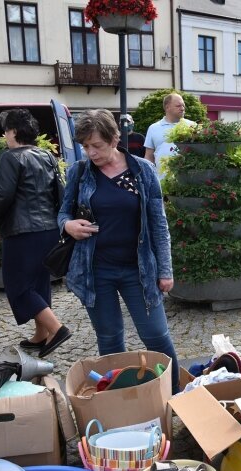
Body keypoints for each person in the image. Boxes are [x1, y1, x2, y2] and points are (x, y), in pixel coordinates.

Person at [58, 109, 180, 393]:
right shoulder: (79, 172)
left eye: (96, 145)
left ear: (114, 139)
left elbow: (159, 224)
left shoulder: (142, 170)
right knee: (110, 339)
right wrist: (68, 225)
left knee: (156, 336)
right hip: (95, 270)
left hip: (139, 269)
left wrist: (165, 270)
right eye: (85, 146)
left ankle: (174, 393)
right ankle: (120, 399)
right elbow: (62, 213)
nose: (90, 152)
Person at [0, 108, 71, 358]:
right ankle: (41, 334)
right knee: (38, 282)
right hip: (48, 229)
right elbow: (60, 191)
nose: (4, 136)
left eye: (5, 131)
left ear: (13, 131)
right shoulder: (46, 155)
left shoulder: (11, 157)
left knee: (18, 286)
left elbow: (2, 196)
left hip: (21, 231)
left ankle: (56, 329)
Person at [144, 93, 195, 179]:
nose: (182, 108)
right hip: (162, 182)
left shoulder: (192, 126)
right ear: (167, 107)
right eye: (178, 106)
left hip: (188, 182)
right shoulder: (154, 128)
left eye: (183, 105)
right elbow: (149, 156)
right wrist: (150, 178)